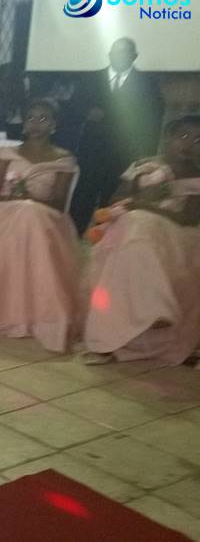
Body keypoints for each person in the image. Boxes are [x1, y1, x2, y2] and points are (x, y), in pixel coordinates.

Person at [0, 99, 79, 352]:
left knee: (28, 212)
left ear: (54, 124)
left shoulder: (64, 159)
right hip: (8, 212)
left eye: (43, 118)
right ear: (24, 123)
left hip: (45, 217)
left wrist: (30, 199)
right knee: (22, 213)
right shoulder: (7, 154)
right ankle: (5, 310)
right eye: (31, 118)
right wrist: (14, 198)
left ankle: (42, 316)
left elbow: (60, 204)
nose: (36, 124)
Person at [81, 115, 200, 367]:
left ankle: (152, 312)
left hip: (174, 231)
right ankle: (132, 323)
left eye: (198, 140)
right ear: (168, 138)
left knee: (138, 224)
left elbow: (188, 218)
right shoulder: (143, 165)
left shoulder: (197, 177)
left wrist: (146, 206)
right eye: (184, 136)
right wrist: (139, 195)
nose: (189, 144)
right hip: (133, 227)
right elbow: (116, 200)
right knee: (134, 227)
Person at [70, 37, 164, 233]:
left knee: (114, 204)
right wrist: (87, 113)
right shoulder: (91, 79)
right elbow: (72, 108)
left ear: (134, 56)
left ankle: (106, 242)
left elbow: (154, 119)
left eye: (125, 52)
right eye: (115, 52)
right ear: (109, 54)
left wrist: (145, 156)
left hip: (125, 155)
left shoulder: (147, 83)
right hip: (91, 153)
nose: (119, 56)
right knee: (82, 199)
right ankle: (72, 238)